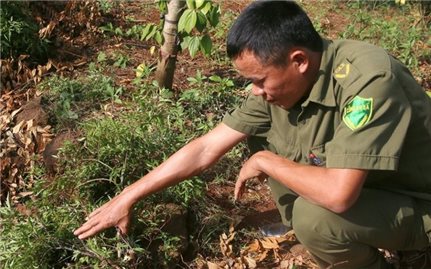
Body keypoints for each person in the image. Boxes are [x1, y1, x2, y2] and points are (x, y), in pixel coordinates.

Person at [74, 1, 431, 268]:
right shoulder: (282, 85)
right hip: (377, 192)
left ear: (299, 60)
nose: (255, 91)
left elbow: (338, 196)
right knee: (272, 146)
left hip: (419, 202)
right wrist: (127, 196)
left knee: (316, 217)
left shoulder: (367, 79)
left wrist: (265, 160)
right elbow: (206, 148)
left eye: (259, 80)